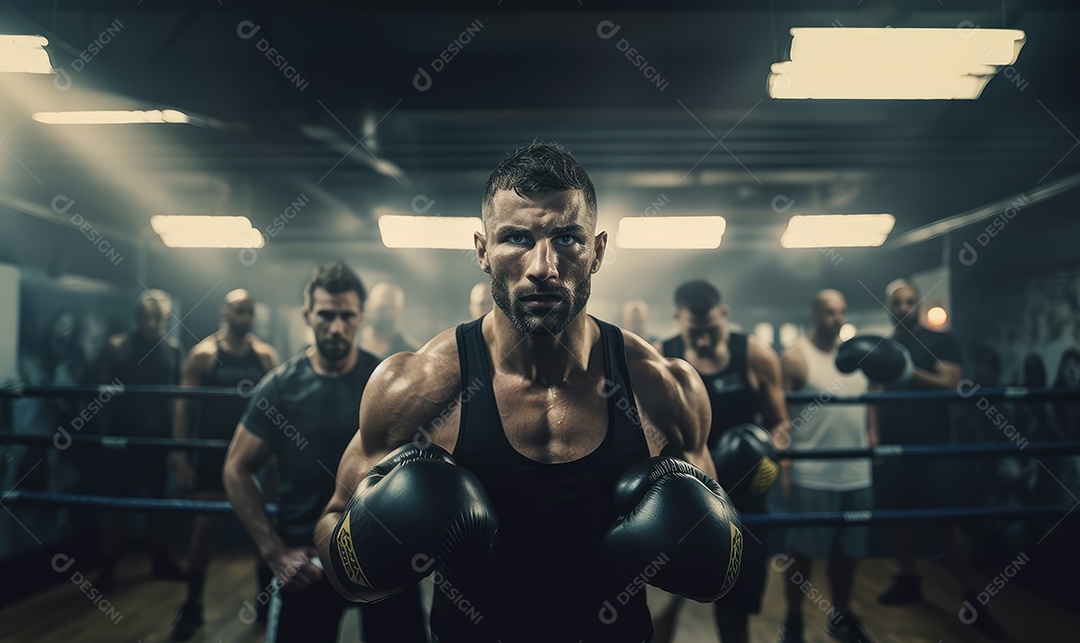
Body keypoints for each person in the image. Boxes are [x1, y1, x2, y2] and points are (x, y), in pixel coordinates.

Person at [314, 142, 743, 643]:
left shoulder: (664, 387)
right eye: (517, 238)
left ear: (598, 251)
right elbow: (331, 521)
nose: (542, 266)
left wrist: (701, 548)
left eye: (567, 238)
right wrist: (365, 553)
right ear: (482, 251)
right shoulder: (416, 385)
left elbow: (720, 545)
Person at [222, 263, 427, 643]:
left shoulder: (384, 382)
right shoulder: (281, 388)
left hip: (384, 556)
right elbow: (236, 469)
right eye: (326, 315)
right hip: (308, 561)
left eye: (347, 316)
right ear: (307, 316)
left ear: (361, 317)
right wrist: (274, 554)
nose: (336, 327)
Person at [842, 279, 1003, 639]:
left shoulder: (940, 340)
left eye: (910, 301)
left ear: (918, 305)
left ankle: (972, 597)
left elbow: (953, 383)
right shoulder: (885, 346)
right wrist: (874, 436)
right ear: (888, 306)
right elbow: (874, 393)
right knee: (902, 517)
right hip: (896, 445)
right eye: (897, 302)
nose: (903, 307)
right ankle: (908, 579)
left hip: (935, 445)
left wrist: (905, 372)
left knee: (947, 521)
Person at [651, 279, 788, 643]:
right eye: (695, 332)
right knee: (664, 603)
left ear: (724, 314)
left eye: (711, 330)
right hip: (686, 497)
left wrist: (765, 451)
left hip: (744, 497)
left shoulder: (755, 355)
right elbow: (646, 430)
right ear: (677, 318)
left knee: (736, 610)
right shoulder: (661, 358)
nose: (704, 341)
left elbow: (780, 423)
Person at [169, 289, 279, 640]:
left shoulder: (264, 355)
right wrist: (182, 455)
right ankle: (192, 603)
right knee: (205, 528)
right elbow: (183, 406)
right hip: (214, 453)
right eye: (239, 310)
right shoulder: (203, 355)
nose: (245, 317)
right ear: (225, 313)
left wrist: (278, 457)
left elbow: (277, 408)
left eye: (250, 311)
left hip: (254, 454)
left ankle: (264, 604)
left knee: (261, 526)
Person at [779, 289, 874, 643]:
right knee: (801, 553)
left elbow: (869, 403)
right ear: (815, 314)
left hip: (856, 471)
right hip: (811, 473)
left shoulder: (861, 357)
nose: (837, 318)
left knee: (848, 552)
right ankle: (793, 620)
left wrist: (872, 437)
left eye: (842, 311)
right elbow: (780, 418)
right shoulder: (796, 357)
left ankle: (842, 615)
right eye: (830, 312)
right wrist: (786, 465)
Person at [92, 289, 185, 591]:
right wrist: (105, 438)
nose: (153, 321)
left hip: (157, 440)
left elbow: (176, 400)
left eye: (158, 316)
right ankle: (108, 569)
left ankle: (160, 559)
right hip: (122, 438)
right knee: (115, 507)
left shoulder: (173, 350)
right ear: (138, 316)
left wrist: (175, 446)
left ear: (166, 317)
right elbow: (101, 398)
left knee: (159, 505)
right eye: (147, 315)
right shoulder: (117, 346)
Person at [359, 282, 419, 358]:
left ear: (399, 310)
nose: (385, 313)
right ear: (370, 307)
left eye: (390, 308)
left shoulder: (409, 353)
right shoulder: (351, 340)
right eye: (381, 308)